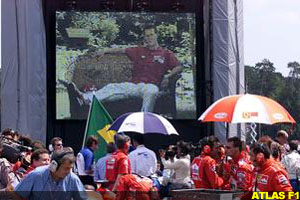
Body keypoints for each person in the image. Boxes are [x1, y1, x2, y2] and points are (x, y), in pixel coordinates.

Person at [64, 24, 183, 112]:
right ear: (144, 38)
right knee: (112, 88)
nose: (149, 38)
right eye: (147, 36)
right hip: (134, 86)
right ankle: (84, 98)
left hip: (151, 86)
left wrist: (168, 75)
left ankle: (144, 120)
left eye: (151, 34)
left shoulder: (165, 53)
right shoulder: (138, 50)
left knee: (151, 91)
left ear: (156, 35)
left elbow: (178, 66)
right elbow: (120, 49)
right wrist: (104, 51)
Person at [14, 148, 87, 200]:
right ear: (54, 165)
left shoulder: (73, 179)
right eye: (66, 168)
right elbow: (17, 195)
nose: (68, 172)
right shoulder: (36, 175)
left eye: (70, 168)